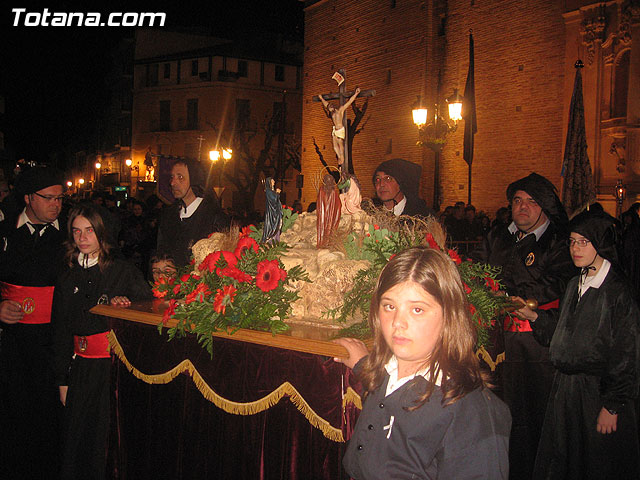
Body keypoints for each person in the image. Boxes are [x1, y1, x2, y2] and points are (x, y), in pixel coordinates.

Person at [335, 247, 511, 479]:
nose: (398, 322)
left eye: (417, 309)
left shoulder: (471, 412)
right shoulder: (387, 372)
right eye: (389, 306)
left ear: (449, 316)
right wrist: (362, 363)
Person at [514, 208, 640, 479]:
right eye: (572, 241)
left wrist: (612, 405)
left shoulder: (617, 292)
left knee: (597, 464)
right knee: (565, 463)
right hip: (567, 393)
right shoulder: (575, 283)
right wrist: (533, 315)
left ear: (600, 244)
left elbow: (626, 353)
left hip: (595, 394)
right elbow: (562, 329)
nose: (575, 248)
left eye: (583, 242)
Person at [469, 172, 577, 480]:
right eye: (517, 201)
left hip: (535, 345)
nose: (523, 207)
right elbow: (477, 267)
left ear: (544, 206)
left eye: (531, 201)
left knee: (532, 413)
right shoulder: (498, 236)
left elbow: (558, 281)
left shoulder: (558, 241)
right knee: (496, 407)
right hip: (495, 342)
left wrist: (515, 296)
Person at [53, 204, 152, 479]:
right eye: (77, 231)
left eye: (89, 231)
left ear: (102, 233)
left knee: (104, 440)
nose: (83, 238)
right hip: (80, 369)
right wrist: (62, 379)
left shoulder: (123, 271)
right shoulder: (67, 275)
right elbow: (60, 329)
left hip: (111, 370)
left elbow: (148, 309)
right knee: (76, 438)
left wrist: (129, 306)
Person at [0, 165, 67, 478]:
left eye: (60, 199)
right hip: (12, 342)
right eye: (49, 198)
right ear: (28, 198)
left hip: (53, 341)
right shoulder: (4, 231)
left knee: (50, 413)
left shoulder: (70, 235)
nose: (56, 204)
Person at [157, 158, 228, 267]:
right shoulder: (168, 216)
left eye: (180, 177)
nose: (172, 183)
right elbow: (160, 253)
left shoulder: (213, 217)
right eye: (172, 177)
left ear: (195, 180)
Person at [319, 87, 361, 167]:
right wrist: (321, 99)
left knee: (340, 144)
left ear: (333, 106)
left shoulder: (340, 110)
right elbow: (326, 104)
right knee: (335, 146)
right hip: (335, 129)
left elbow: (349, 102)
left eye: (330, 108)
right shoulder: (331, 111)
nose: (330, 109)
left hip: (340, 129)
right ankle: (339, 156)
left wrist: (356, 94)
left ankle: (342, 157)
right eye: (329, 108)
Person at [262, 177, 283, 244]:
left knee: (277, 227)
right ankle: (270, 242)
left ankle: (276, 242)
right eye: (272, 180)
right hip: (272, 213)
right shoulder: (268, 191)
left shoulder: (272, 191)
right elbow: (273, 200)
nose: (274, 181)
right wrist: (277, 193)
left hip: (276, 213)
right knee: (272, 227)